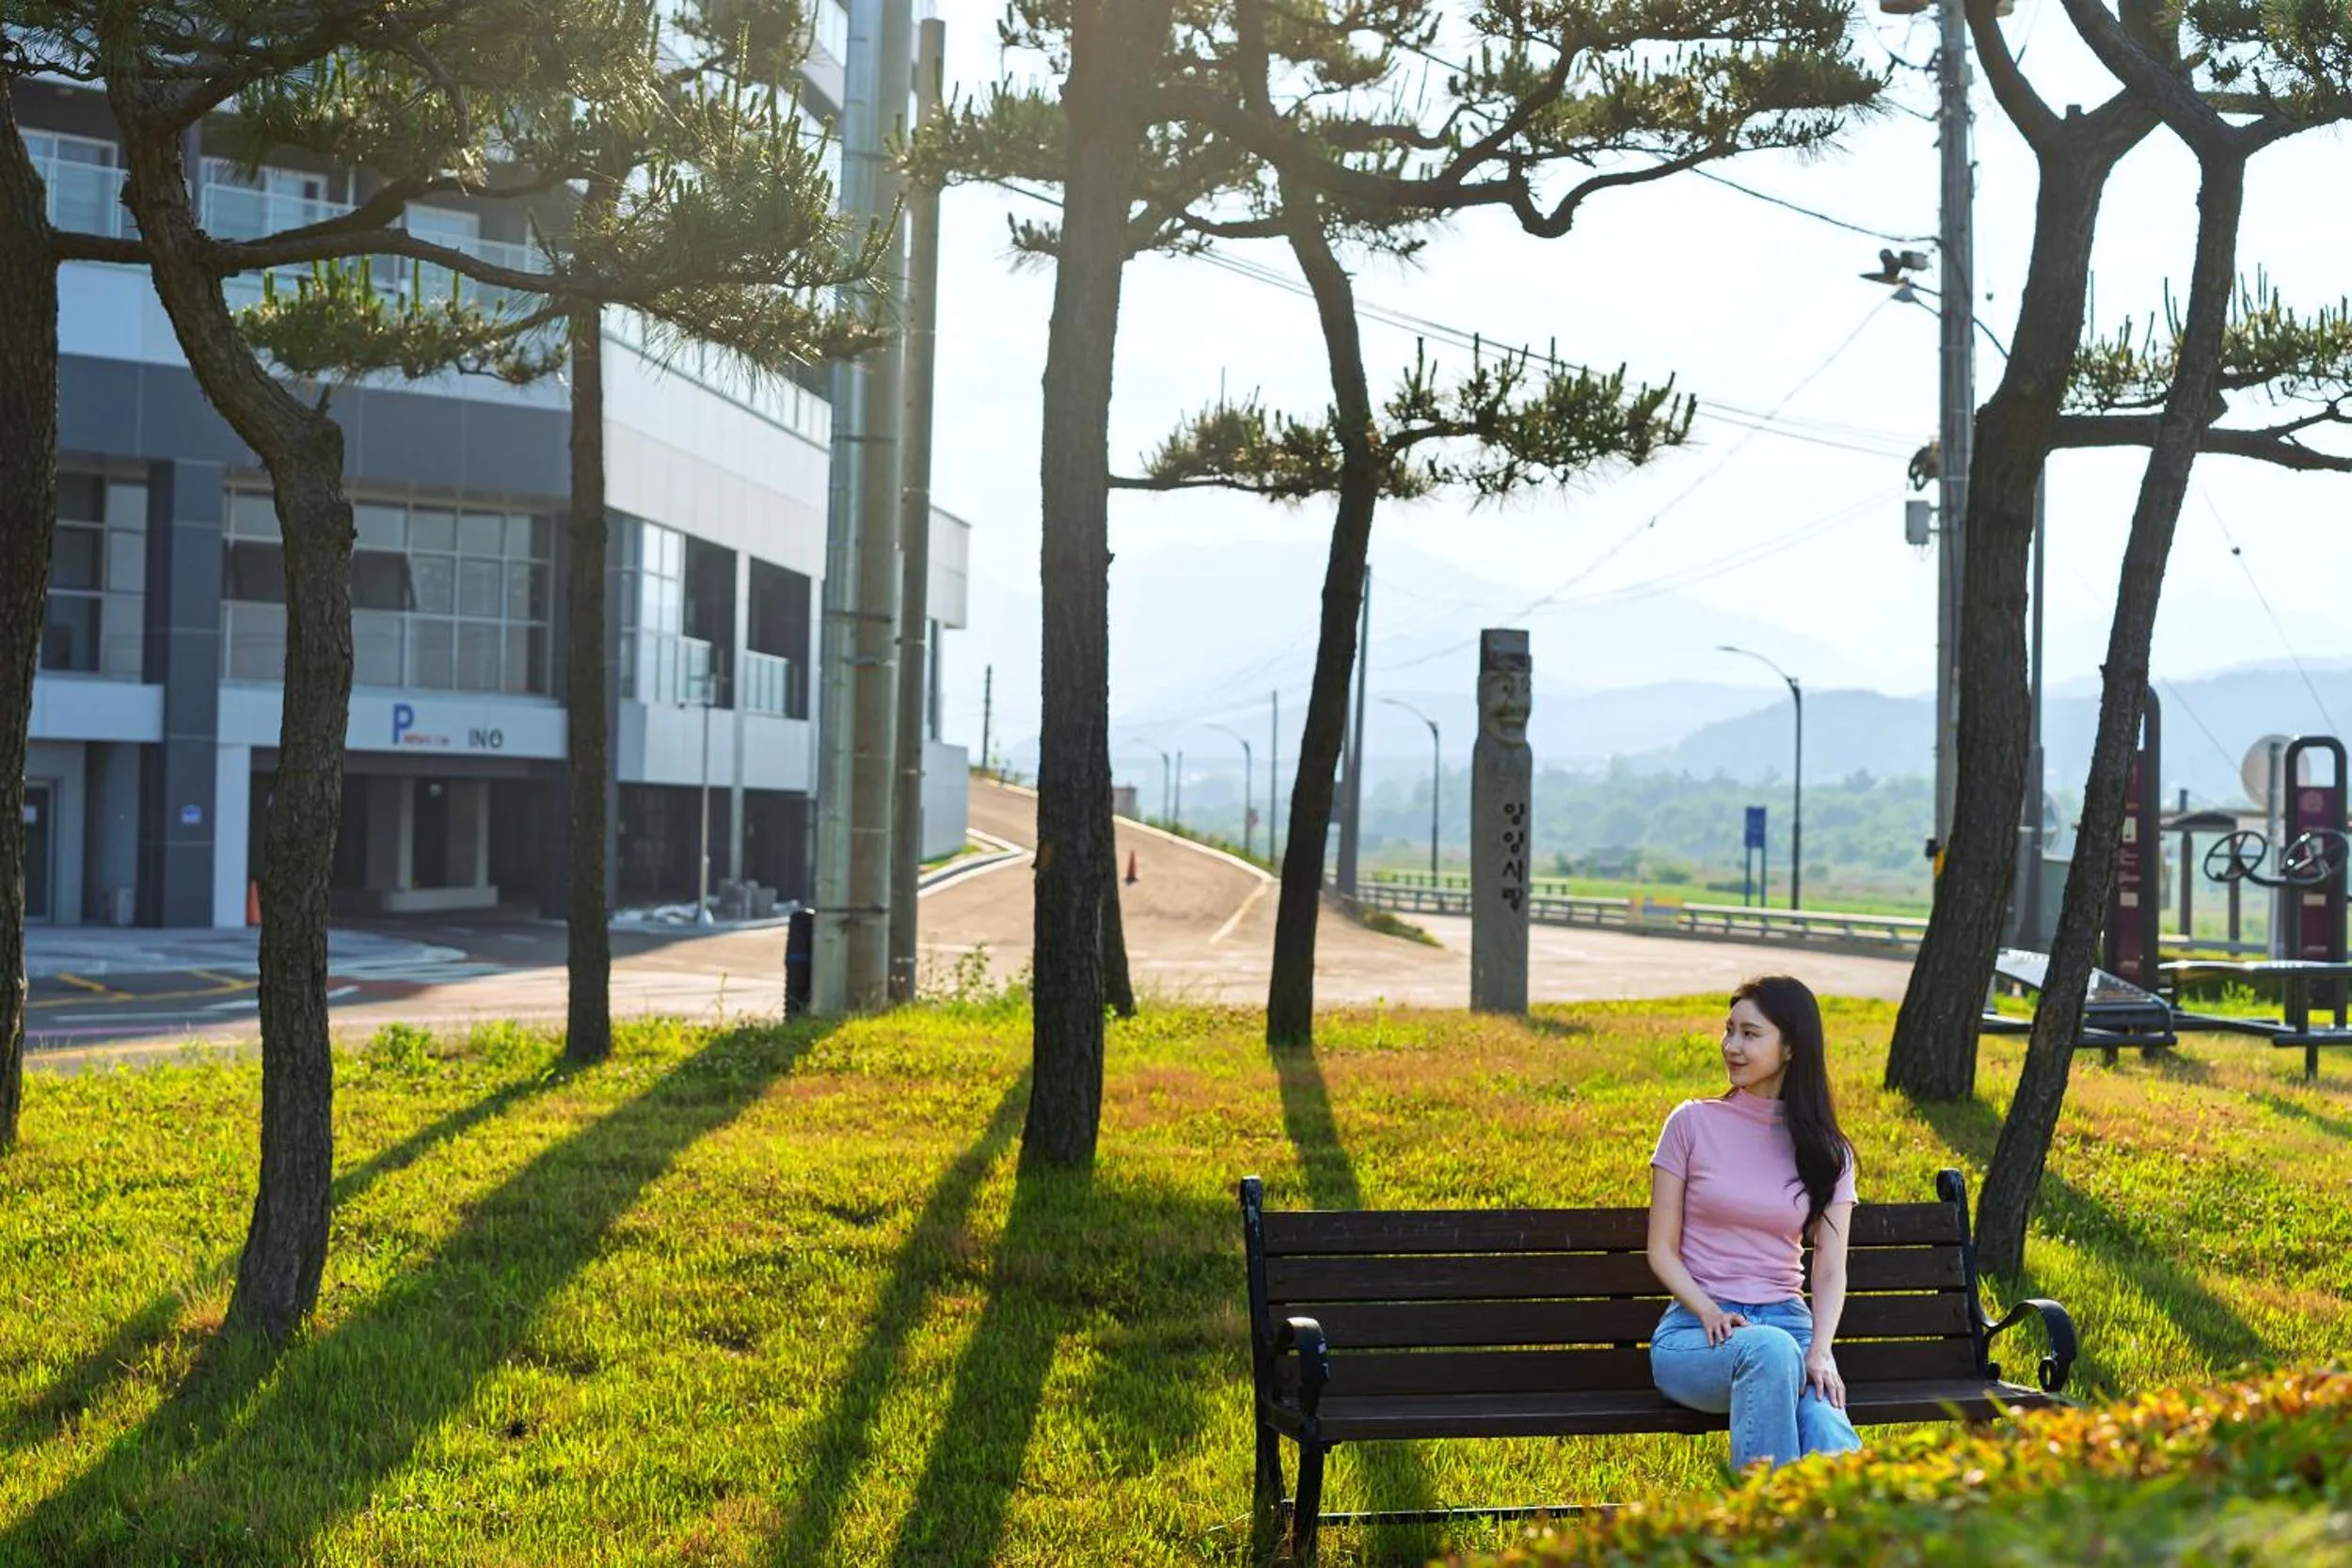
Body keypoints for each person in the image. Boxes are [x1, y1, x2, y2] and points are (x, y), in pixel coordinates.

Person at [1645, 974, 1863, 1472]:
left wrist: (1822, 1352)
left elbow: (1829, 1270)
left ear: (1789, 1048)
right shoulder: (1691, 1124)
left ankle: (1861, 1543)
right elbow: (1660, 1249)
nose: (1732, 1046)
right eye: (1729, 1031)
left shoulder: (1828, 1153)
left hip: (1790, 1327)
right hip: (1696, 1333)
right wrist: (1706, 1311)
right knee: (1769, 1351)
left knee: (1828, 1425)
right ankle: (1768, 1538)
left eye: (1750, 1034)